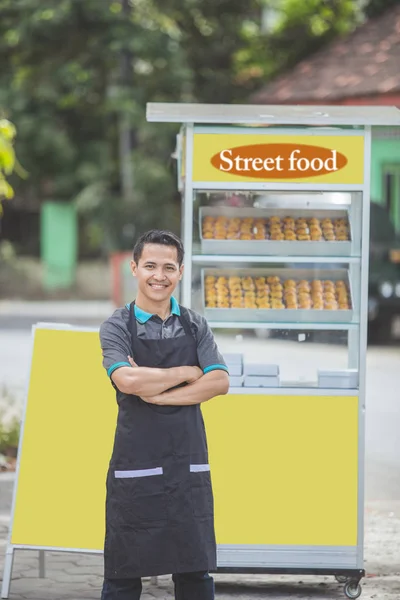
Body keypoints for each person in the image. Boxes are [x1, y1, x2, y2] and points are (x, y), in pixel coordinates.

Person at [99, 229, 230, 600]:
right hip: (135, 462)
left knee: (194, 570)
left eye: (168, 267)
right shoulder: (117, 326)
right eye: (151, 266)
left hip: (187, 463)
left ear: (181, 271)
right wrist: (187, 373)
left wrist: (159, 396)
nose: (160, 275)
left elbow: (219, 381)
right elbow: (126, 379)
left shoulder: (194, 324)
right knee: (124, 571)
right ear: (135, 268)